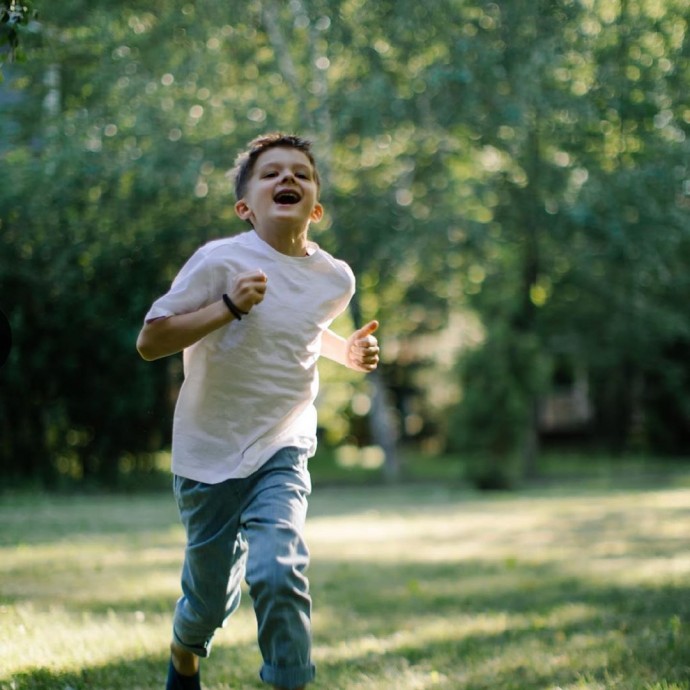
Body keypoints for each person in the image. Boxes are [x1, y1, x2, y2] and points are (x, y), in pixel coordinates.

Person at [136, 133, 380, 690]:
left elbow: (300, 327)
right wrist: (228, 306)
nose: (287, 179)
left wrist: (346, 350)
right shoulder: (220, 261)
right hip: (207, 453)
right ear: (245, 206)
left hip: (281, 445)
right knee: (208, 601)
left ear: (315, 206)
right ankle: (184, 654)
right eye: (271, 173)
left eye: (300, 172)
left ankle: (290, 682)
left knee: (277, 570)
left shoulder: (334, 279)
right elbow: (150, 341)